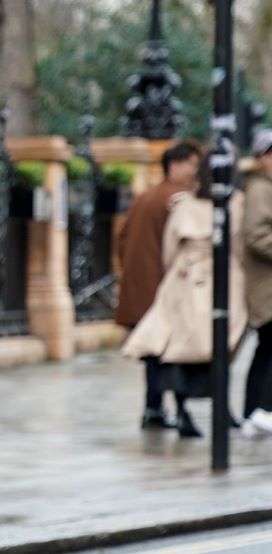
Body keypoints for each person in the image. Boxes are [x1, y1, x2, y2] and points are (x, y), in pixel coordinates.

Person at [122, 151, 247, 438]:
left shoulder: (183, 203)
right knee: (216, 346)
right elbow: (238, 244)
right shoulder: (235, 203)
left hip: (185, 279)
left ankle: (180, 410)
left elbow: (169, 248)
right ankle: (214, 409)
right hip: (219, 280)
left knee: (178, 347)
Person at [116, 141, 203, 428]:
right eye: (192, 164)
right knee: (171, 352)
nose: (195, 170)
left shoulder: (145, 196)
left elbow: (122, 238)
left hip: (140, 287)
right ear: (174, 165)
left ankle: (154, 408)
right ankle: (178, 411)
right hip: (165, 288)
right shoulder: (179, 198)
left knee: (154, 354)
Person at [238, 128, 272, 436]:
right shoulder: (261, 188)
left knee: (266, 350)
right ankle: (260, 410)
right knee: (268, 350)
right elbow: (256, 235)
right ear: (261, 157)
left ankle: (256, 411)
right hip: (266, 287)